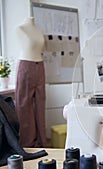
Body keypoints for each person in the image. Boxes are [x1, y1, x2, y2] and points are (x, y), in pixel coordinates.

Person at [15, 17, 47, 147]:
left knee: (40, 105)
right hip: (26, 66)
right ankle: (27, 143)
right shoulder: (20, 29)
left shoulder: (38, 29)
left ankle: (42, 142)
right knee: (24, 106)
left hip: (40, 66)